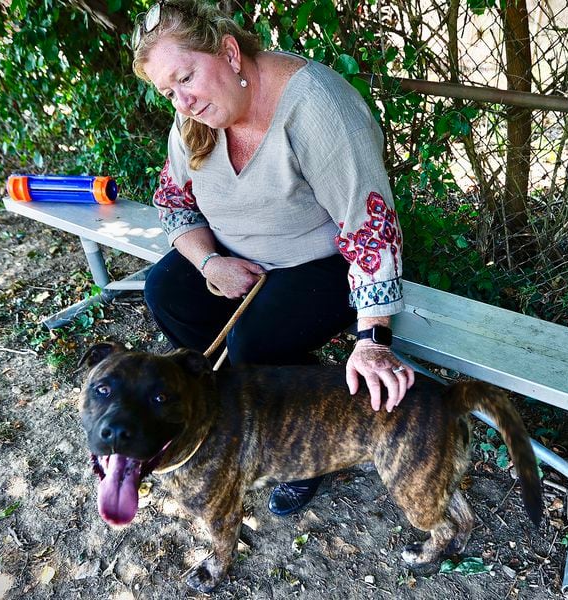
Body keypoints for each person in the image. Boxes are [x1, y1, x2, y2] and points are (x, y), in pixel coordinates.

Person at [131, 0, 414, 516]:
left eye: (186, 78)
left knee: (254, 340)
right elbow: (174, 203)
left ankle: (299, 447)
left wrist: (373, 338)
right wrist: (209, 263)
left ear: (230, 52)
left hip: (323, 266)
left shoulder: (317, 106)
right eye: (168, 91)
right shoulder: (193, 118)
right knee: (166, 291)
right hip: (236, 258)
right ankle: (240, 399)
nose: (183, 102)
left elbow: (369, 226)